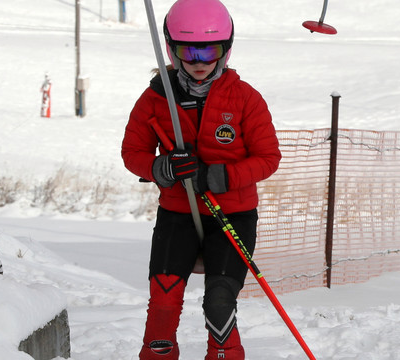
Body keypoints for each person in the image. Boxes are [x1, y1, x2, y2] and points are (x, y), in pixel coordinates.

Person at [121, 0, 281, 359]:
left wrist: (220, 176)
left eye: (208, 50)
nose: (198, 61)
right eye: (187, 50)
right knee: (163, 297)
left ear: (225, 50)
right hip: (178, 212)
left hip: (232, 214)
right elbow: (133, 153)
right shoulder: (155, 98)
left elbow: (269, 158)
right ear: (171, 50)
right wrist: (161, 168)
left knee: (219, 301)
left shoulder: (244, 98)